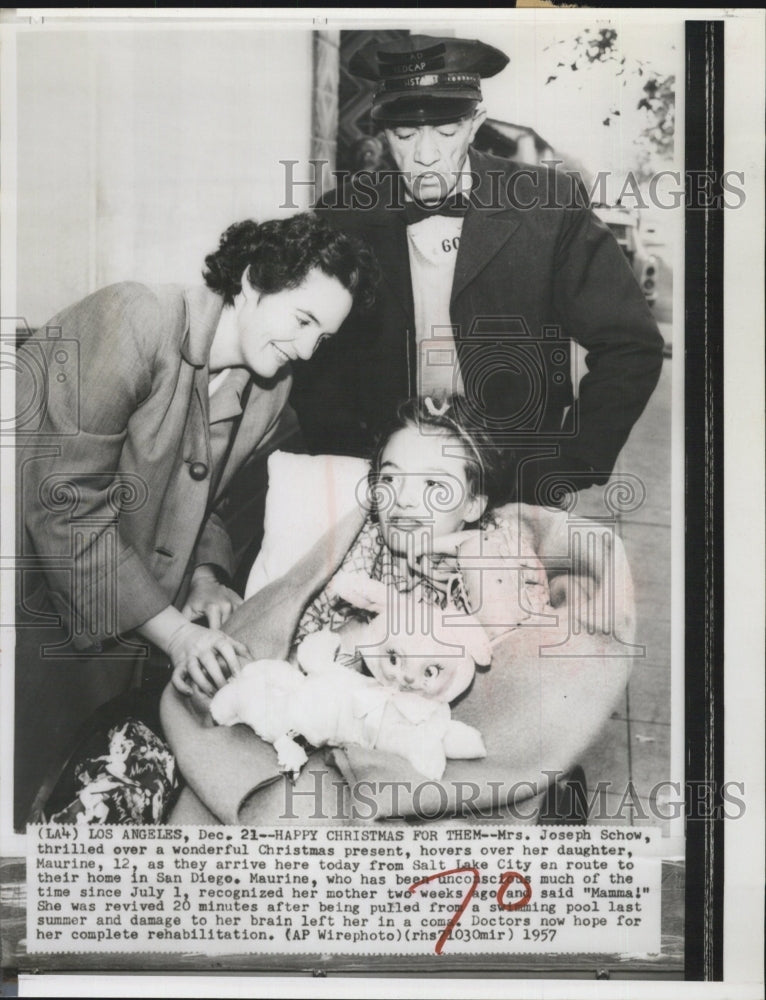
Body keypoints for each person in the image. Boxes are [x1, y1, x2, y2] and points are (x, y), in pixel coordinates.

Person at [14, 212, 377, 826]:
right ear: (253, 282)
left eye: (324, 337)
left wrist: (207, 576)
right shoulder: (135, 318)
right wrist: (179, 636)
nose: (307, 348)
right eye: (303, 320)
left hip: (125, 611)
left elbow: (206, 500)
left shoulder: (269, 388)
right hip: (36, 598)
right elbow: (63, 506)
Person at [290, 33, 665, 505]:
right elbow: (315, 362)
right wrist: (349, 461)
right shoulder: (342, 216)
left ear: (475, 124)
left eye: (446, 133)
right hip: (382, 481)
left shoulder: (549, 206)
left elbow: (629, 344)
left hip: (514, 485)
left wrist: (568, 462)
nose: (426, 154)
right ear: (383, 133)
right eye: (405, 135)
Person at [295, 394, 550, 646]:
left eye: (432, 483)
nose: (403, 498)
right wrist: (358, 633)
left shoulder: (504, 552)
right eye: (390, 479)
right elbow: (293, 650)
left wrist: (475, 555)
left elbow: (513, 654)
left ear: (472, 505)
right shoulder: (358, 550)